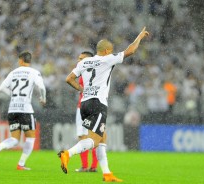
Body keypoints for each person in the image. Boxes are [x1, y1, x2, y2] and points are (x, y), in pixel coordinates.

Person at [59, 27, 149, 182]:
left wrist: (82, 89)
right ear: (107, 51)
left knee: (102, 137)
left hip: (85, 104)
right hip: (98, 104)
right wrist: (139, 37)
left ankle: (107, 173)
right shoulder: (107, 59)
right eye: (111, 50)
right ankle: (68, 153)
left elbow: (69, 79)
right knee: (94, 141)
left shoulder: (84, 62)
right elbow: (130, 51)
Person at [0, 51, 46, 170]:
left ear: (20, 60)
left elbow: (1, 87)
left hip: (12, 109)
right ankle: (21, 164)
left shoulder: (13, 72)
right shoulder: (34, 72)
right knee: (30, 137)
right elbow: (41, 87)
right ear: (30, 60)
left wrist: (13, 95)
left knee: (15, 139)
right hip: (25, 109)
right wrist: (43, 98)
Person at [74, 51, 98, 172]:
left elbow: (70, 80)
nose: (79, 61)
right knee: (94, 137)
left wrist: (81, 89)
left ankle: (85, 166)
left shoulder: (84, 72)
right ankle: (93, 166)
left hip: (83, 107)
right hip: (96, 107)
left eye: (81, 58)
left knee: (83, 136)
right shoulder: (99, 71)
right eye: (79, 58)